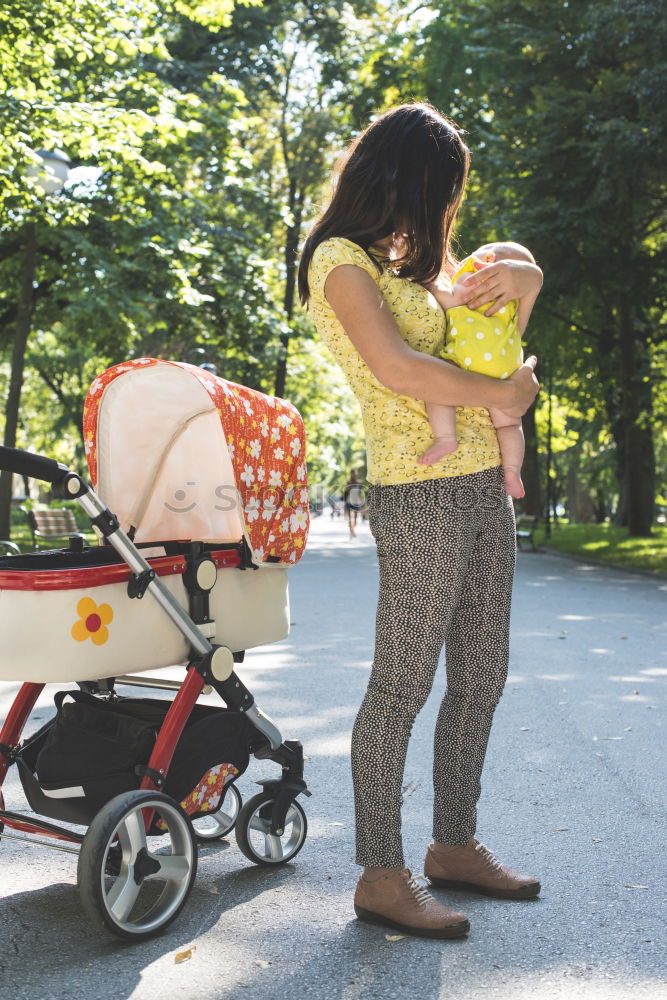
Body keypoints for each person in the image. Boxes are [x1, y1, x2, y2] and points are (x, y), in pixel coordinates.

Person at [298, 102, 542, 940]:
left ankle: (453, 845)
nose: (445, 212)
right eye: (442, 192)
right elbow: (398, 369)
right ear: (404, 177)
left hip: (480, 485)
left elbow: (492, 334)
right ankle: (380, 872)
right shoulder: (338, 262)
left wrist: (531, 279)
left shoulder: (410, 269)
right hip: (418, 491)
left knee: (482, 673)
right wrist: (509, 399)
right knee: (400, 685)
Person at [419, 241, 535, 498]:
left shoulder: (470, 289)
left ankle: (446, 438)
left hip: (464, 362)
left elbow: (443, 294)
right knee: (509, 425)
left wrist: (430, 282)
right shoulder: (510, 308)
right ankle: (513, 472)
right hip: (505, 371)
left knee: (435, 387)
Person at [343, 469, 364, 538]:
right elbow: (346, 491)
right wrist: (349, 486)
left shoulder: (359, 482)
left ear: (356, 474)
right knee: (349, 519)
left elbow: (360, 493)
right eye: (352, 473)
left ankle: (353, 529)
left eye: (354, 473)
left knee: (355, 519)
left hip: (357, 502)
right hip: (349, 502)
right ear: (350, 474)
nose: (353, 475)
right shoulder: (348, 482)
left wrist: (362, 502)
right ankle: (351, 531)